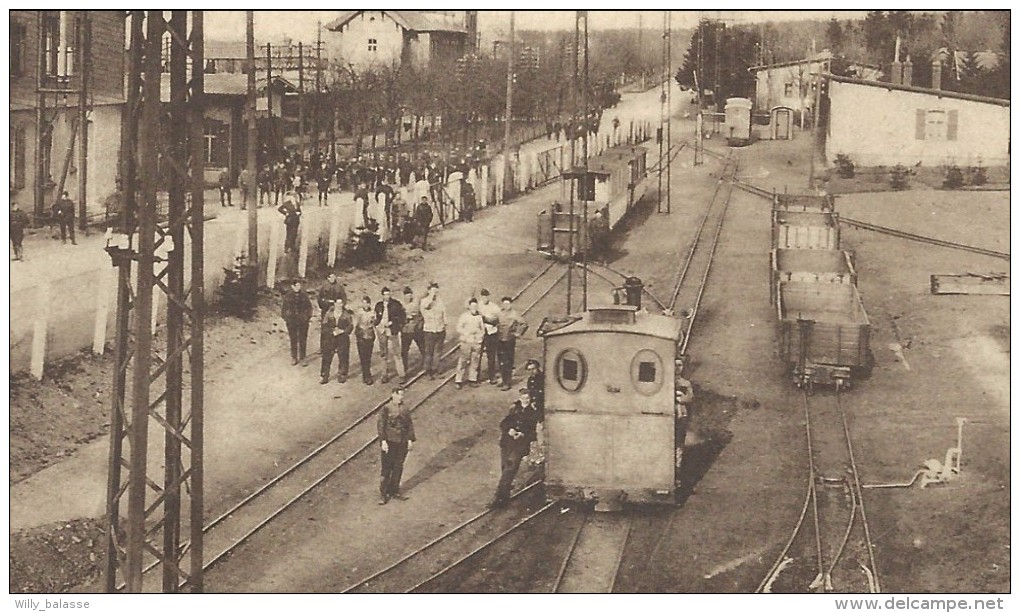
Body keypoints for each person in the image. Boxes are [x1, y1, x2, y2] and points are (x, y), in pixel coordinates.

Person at [490, 389, 540, 508]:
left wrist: (522, 434)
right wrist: (509, 430)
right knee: (505, 467)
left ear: (530, 399)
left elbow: (533, 433)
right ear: (520, 398)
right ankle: (505, 492)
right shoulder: (514, 408)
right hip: (507, 442)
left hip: (520, 445)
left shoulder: (532, 413)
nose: (525, 401)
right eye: (523, 398)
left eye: (527, 398)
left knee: (510, 469)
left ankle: (499, 498)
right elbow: (503, 423)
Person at [377, 387, 415, 504]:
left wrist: (410, 439)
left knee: (398, 466)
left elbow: (409, 424)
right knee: (387, 468)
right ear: (393, 395)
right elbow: (381, 425)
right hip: (390, 442)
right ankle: (383, 494)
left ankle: (394, 490)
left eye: (402, 395)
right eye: (399, 395)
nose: (401, 398)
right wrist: (383, 441)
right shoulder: (386, 408)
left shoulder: (405, 408)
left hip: (402, 442)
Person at [374, 287, 407, 384]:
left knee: (397, 352)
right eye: (385, 294)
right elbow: (376, 317)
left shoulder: (396, 304)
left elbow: (402, 317)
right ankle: (384, 374)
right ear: (382, 295)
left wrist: (392, 323)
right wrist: (376, 324)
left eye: (388, 294)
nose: (387, 296)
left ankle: (401, 374)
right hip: (382, 330)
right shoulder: (378, 305)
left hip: (392, 330)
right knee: (384, 353)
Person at [496, 296, 529, 390]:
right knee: (501, 361)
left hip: (509, 340)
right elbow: (493, 322)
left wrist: (518, 333)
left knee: (508, 362)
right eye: (504, 304)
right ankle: (503, 380)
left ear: (511, 304)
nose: (506, 305)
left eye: (508, 304)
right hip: (500, 340)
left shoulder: (514, 314)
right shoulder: (499, 313)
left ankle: (507, 383)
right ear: (502, 304)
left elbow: (524, 324)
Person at [320, 297, 353, 384]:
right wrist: (332, 331)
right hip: (330, 338)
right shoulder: (329, 313)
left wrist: (343, 331)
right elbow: (324, 325)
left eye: (341, 303)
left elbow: (350, 326)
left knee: (343, 356)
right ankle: (325, 375)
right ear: (334, 304)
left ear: (343, 304)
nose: (339, 305)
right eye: (337, 303)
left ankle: (342, 374)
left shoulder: (346, 314)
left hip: (342, 338)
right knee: (327, 356)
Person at [454, 297, 486, 390]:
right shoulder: (464, 316)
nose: (474, 309)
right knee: (463, 361)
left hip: (476, 342)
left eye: (475, 307)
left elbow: (483, 329)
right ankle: (458, 380)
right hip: (466, 342)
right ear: (469, 307)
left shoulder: (479, 317)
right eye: (472, 307)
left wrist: (479, 338)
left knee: (475, 361)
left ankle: (472, 379)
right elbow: (458, 328)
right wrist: (466, 333)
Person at [281, 279, 312, 365]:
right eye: (296, 286)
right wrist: (286, 318)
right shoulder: (288, 296)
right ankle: (294, 357)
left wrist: (307, 317)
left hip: (303, 321)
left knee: (302, 339)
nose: (298, 287)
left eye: (299, 285)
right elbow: (284, 309)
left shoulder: (304, 295)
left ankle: (302, 358)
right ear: (292, 286)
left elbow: (309, 307)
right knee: (293, 339)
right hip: (292, 321)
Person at [420, 282, 446, 379]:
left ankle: (436, 369)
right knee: (429, 352)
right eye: (433, 291)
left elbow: (444, 313)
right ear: (429, 291)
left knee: (438, 352)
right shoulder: (424, 301)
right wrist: (431, 296)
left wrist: (444, 324)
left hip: (440, 330)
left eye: (436, 291)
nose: (435, 293)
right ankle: (428, 371)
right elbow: (426, 306)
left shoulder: (440, 301)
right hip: (429, 331)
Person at [477, 289, 501, 385]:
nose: (485, 298)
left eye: (486, 296)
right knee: (477, 355)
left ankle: (492, 376)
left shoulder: (494, 307)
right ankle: (476, 377)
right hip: (480, 334)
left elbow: (498, 319)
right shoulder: (477, 306)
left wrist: (486, 319)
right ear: (480, 297)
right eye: (483, 296)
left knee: (491, 356)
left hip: (491, 333)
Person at [524, 359, 546, 466]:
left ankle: (541, 454)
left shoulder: (543, 379)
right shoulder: (530, 380)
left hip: (542, 407)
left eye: (533, 369)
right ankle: (535, 453)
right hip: (535, 407)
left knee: (540, 429)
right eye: (529, 370)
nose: (532, 372)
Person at [400, 286, 425, 374]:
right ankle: (404, 369)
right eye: (407, 295)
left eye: (410, 295)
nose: (409, 297)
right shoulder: (401, 305)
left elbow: (422, 315)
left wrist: (419, 323)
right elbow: (398, 318)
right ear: (404, 296)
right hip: (406, 330)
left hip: (417, 329)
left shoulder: (416, 302)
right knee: (404, 351)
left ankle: (427, 366)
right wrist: (405, 319)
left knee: (422, 347)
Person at [353, 296, 377, 385]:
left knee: (368, 356)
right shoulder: (359, 312)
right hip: (361, 335)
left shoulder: (372, 312)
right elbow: (355, 325)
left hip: (370, 335)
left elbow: (375, 323)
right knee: (363, 356)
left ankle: (366, 374)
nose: (365, 305)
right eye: (363, 303)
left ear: (369, 304)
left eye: (367, 303)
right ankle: (366, 375)